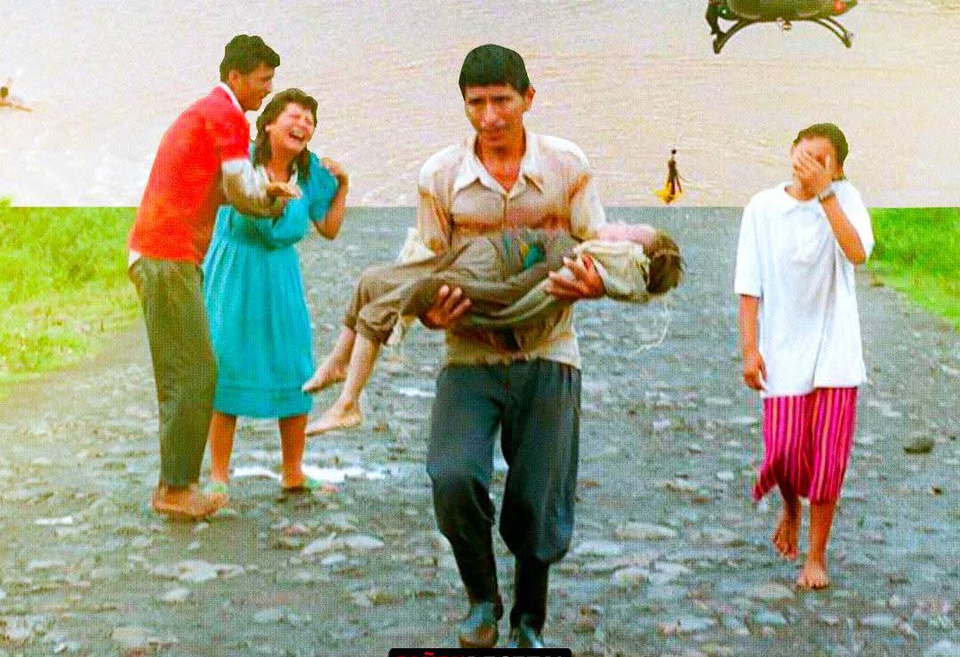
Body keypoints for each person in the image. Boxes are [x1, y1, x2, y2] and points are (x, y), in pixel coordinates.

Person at [406, 44, 610, 649]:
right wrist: (428, 312)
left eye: (502, 100)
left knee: (537, 491)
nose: (491, 116)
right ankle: (481, 600)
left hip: (549, 347)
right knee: (452, 476)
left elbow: (598, 244)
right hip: (468, 351)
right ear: (463, 105)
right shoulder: (439, 176)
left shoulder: (566, 165)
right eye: (477, 103)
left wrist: (595, 280)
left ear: (528, 98)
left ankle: (529, 618)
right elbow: (423, 263)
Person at [128, 35, 299, 521]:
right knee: (195, 370)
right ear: (236, 77)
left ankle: (175, 482)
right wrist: (271, 199)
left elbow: (215, 186)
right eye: (263, 82)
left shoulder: (207, 112)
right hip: (168, 254)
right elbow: (242, 190)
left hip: (161, 252)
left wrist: (258, 191)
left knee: (185, 370)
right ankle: (176, 488)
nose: (266, 92)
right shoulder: (225, 114)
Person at [303, 222, 681, 436]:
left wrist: (465, 294)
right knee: (373, 279)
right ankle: (338, 361)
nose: (616, 225)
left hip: (484, 267)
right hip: (477, 253)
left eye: (624, 233)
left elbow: (515, 291)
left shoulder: (573, 260)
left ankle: (349, 402)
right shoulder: (577, 250)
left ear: (622, 256)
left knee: (393, 300)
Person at [735, 122, 873, 590]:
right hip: (782, 350)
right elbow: (749, 286)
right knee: (786, 452)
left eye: (823, 159)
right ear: (791, 151)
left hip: (836, 351)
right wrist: (750, 350)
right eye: (805, 152)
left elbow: (856, 253)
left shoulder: (845, 200)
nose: (811, 163)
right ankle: (791, 507)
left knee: (828, 459)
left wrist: (826, 196)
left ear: (837, 169)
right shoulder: (763, 207)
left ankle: (815, 557)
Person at [204, 88, 348, 499]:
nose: (303, 125)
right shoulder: (240, 159)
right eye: (295, 116)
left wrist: (344, 186)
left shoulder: (311, 171)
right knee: (226, 359)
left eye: (310, 121)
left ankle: (293, 472)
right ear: (269, 123)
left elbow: (331, 228)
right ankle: (218, 476)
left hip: (280, 274)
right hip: (233, 269)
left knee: (294, 362)